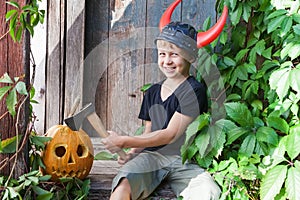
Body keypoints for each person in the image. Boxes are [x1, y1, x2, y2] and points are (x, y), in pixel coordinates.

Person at [101, 1, 228, 199]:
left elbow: (170, 135)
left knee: (208, 191)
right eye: (162, 54)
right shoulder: (152, 92)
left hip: (182, 161)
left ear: (190, 59)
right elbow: (148, 133)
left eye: (174, 55)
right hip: (151, 157)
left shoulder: (193, 91)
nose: (167, 61)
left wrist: (124, 140)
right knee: (123, 184)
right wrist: (133, 152)